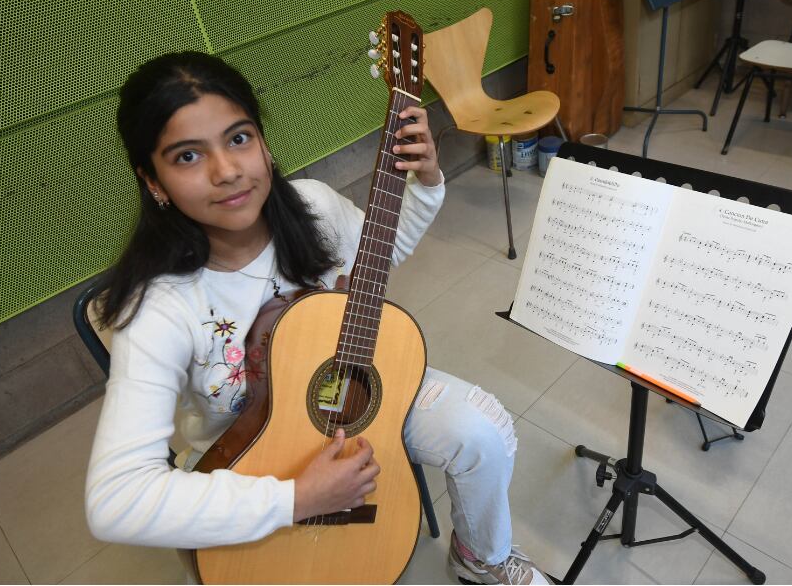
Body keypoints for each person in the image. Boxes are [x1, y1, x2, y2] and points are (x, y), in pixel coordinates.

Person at [85, 51, 550, 585]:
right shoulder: (158, 308)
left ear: (262, 141)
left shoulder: (310, 206)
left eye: (239, 138)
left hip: (352, 393)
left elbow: (382, 249)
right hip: (250, 452)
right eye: (188, 156)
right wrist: (298, 498)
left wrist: (427, 181)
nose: (227, 170)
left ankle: (481, 559)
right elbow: (115, 500)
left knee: (482, 430)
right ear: (152, 181)